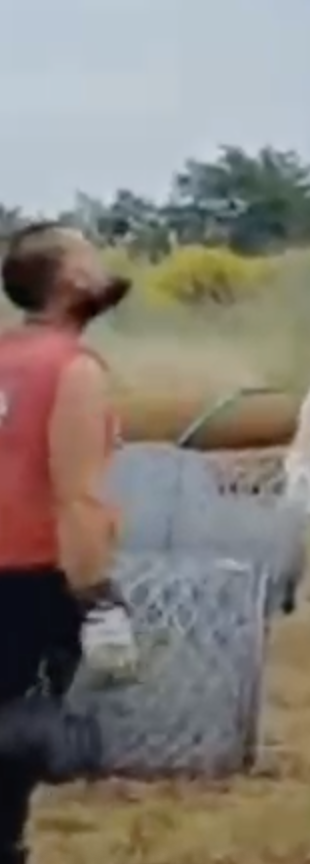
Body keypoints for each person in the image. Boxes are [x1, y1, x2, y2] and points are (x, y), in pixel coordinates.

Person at [0, 223, 126, 862]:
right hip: (26, 581)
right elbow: (75, 498)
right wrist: (99, 602)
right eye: (91, 259)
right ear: (70, 282)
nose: (105, 271)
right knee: (17, 744)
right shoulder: (72, 370)